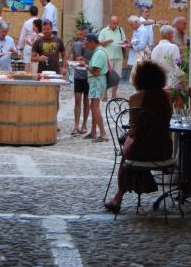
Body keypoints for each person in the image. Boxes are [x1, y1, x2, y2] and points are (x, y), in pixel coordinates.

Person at [104, 60, 173, 213]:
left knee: (127, 151)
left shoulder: (136, 98)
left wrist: (128, 137)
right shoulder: (168, 96)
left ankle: (118, 197)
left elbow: (134, 129)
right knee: (131, 147)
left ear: (139, 78)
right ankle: (142, 184)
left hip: (142, 150)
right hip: (164, 148)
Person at [85, 32, 108, 142]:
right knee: (94, 106)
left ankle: (103, 134)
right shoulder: (100, 51)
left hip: (96, 81)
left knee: (95, 106)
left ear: (92, 42)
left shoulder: (98, 53)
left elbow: (96, 72)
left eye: (87, 43)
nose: (86, 45)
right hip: (98, 81)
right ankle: (93, 132)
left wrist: (85, 66)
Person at [70, 26, 93, 135]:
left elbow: (94, 63)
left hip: (88, 77)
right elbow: (73, 59)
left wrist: (85, 60)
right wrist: (75, 61)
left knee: (86, 102)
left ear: (86, 35)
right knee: (77, 101)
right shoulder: (76, 44)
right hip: (78, 76)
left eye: (81, 34)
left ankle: (84, 125)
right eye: (78, 34)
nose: (79, 37)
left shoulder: (92, 47)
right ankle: (76, 126)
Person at [98, 15, 128, 100]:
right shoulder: (104, 31)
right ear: (110, 22)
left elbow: (124, 41)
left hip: (118, 56)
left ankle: (114, 94)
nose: (116, 25)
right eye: (114, 23)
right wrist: (107, 41)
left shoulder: (120, 30)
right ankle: (105, 95)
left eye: (117, 23)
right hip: (108, 57)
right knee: (106, 76)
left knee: (117, 76)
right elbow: (99, 43)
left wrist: (125, 45)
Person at [150, 24, 181, 88]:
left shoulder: (154, 49)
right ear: (169, 34)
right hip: (171, 82)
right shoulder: (174, 47)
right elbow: (178, 66)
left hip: (158, 82)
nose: (173, 36)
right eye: (172, 34)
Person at [126, 15, 149, 80]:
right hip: (135, 57)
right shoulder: (136, 30)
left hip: (140, 57)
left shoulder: (143, 31)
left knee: (139, 77)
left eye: (131, 24)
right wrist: (129, 43)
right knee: (135, 77)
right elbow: (135, 42)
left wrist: (131, 45)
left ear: (136, 22)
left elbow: (141, 46)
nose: (131, 26)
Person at [17, 5, 40, 70]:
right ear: (37, 12)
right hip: (38, 47)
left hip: (28, 46)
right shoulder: (40, 22)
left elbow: (22, 37)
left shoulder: (26, 23)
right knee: (36, 67)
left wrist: (19, 48)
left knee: (27, 68)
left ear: (30, 13)